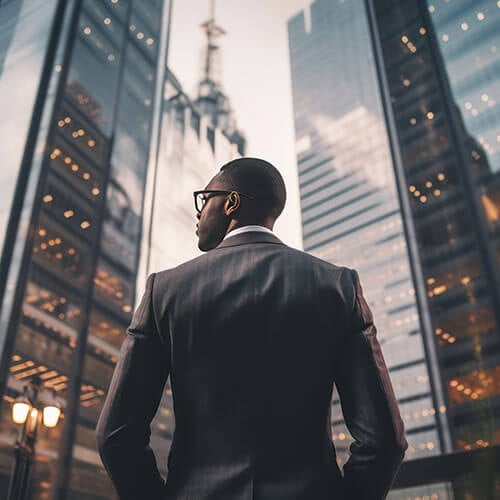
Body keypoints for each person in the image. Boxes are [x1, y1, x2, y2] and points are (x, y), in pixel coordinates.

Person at [96, 157, 407, 499]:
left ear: (231, 202)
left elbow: (116, 436)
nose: (198, 213)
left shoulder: (165, 291)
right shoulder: (337, 286)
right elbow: (385, 442)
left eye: (205, 199)